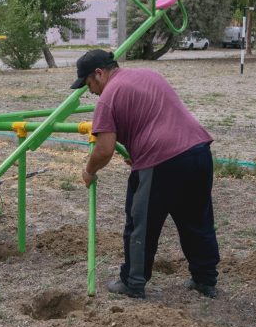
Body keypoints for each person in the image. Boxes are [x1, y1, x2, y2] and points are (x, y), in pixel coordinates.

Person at [72, 49, 220, 298]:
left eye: (89, 84)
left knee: (141, 223)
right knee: (197, 219)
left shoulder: (108, 97)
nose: (92, 92)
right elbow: (157, 117)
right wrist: (139, 151)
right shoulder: (149, 76)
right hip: (198, 152)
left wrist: (89, 171)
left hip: (161, 162)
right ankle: (205, 279)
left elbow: (104, 150)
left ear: (99, 73)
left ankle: (132, 282)